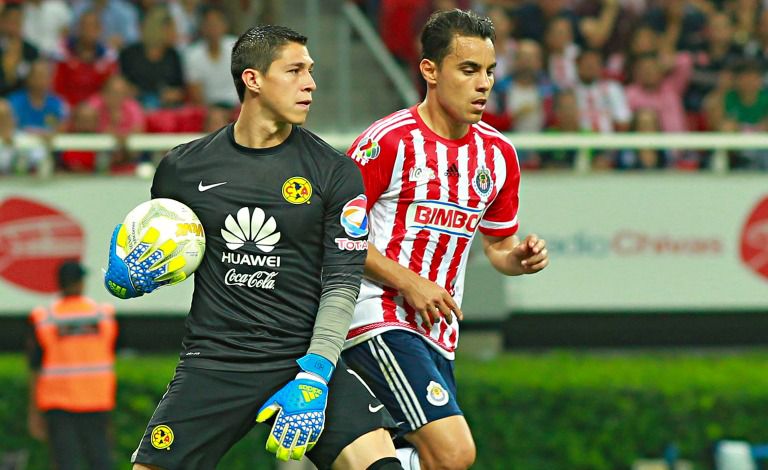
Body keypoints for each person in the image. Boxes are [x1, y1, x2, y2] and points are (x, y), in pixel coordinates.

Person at [104, 24, 402, 470]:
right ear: (253, 79)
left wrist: (317, 374)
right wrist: (126, 279)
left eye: (311, 71)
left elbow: (342, 282)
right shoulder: (182, 169)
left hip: (301, 358)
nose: (311, 83)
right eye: (295, 70)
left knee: (382, 464)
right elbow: (165, 247)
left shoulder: (334, 172)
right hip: (216, 360)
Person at [340, 9, 549, 470]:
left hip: (439, 334)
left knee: (416, 460)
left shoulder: (498, 155)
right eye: (469, 70)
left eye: (490, 71)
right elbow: (337, 234)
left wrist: (519, 257)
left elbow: (498, 246)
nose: (483, 84)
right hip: (377, 317)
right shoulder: (386, 142)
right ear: (430, 71)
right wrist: (409, 283)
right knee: (455, 452)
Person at [27, 260, 118, 470]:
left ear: (59, 284)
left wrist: (33, 413)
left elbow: (34, 367)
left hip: (59, 406)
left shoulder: (45, 318)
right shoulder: (103, 316)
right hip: (97, 401)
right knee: (101, 460)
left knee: (65, 463)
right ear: (80, 283)